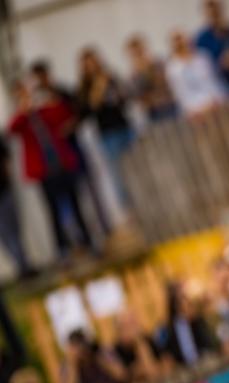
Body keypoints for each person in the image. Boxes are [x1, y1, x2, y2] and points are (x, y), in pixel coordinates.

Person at [7, 80, 93, 259]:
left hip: (62, 165)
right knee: (53, 211)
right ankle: (63, 249)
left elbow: (64, 115)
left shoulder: (44, 111)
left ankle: (87, 241)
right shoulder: (22, 119)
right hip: (44, 172)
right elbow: (12, 129)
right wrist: (23, 111)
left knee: (75, 205)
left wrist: (48, 98)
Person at [30, 59, 111, 237]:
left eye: (43, 75)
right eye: (37, 77)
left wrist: (70, 125)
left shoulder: (61, 93)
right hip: (53, 157)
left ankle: (104, 228)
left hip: (72, 148)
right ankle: (77, 236)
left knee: (89, 188)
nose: (41, 80)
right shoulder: (34, 101)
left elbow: (80, 113)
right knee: (65, 199)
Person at [77, 48, 136, 209]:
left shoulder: (110, 76)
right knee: (117, 173)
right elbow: (89, 110)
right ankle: (127, 207)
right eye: (88, 64)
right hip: (108, 134)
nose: (92, 66)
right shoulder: (85, 86)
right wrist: (99, 86)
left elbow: (124, 100)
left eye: (94, 61)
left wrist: (120, 91)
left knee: (135, 165)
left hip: (124, 125)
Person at [166, 30, 228, 118]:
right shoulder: (173, 68)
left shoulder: (203, 57)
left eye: (181, 38)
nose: (180, 43)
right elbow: (181, 94)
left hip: (216, 104)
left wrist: (215, 101)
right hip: (195, 113)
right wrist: (197, 109)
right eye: (176, 40)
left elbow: (214, 80)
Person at [159, 282, 220, 367]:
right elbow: (168, 355)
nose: (185, 306)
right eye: (180, 303)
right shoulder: (169, 329)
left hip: (204, 364)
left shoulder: (198, 322)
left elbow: (209, 344)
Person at [0, 134, 35, 277]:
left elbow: (6, 156)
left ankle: (24, 264)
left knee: (14, 229)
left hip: (4, 188)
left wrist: (7, 173)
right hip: (4, 189)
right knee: (7, 233)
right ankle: (22, 267)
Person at [62, 329, 127, 383]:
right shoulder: (68, 367)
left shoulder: (102, 353)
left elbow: (122, 376)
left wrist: (99, 357)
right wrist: (73, 364)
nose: (82, 349)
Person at [125, 35, 178, 123]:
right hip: (153, 111)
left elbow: (168, 81)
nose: (139, 54)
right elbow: (137, 96)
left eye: (140, 50)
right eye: (135, 52)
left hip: (170, 105)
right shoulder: (133, 75)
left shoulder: (158, 63)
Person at [112, 310, 161, 383]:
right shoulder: (115, 351)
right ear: (119, 331)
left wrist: (139, 341)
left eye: (133, 324)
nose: (132, 330)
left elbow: (153, 372)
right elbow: (124, 377)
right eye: (127, 326)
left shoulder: (147, 339)